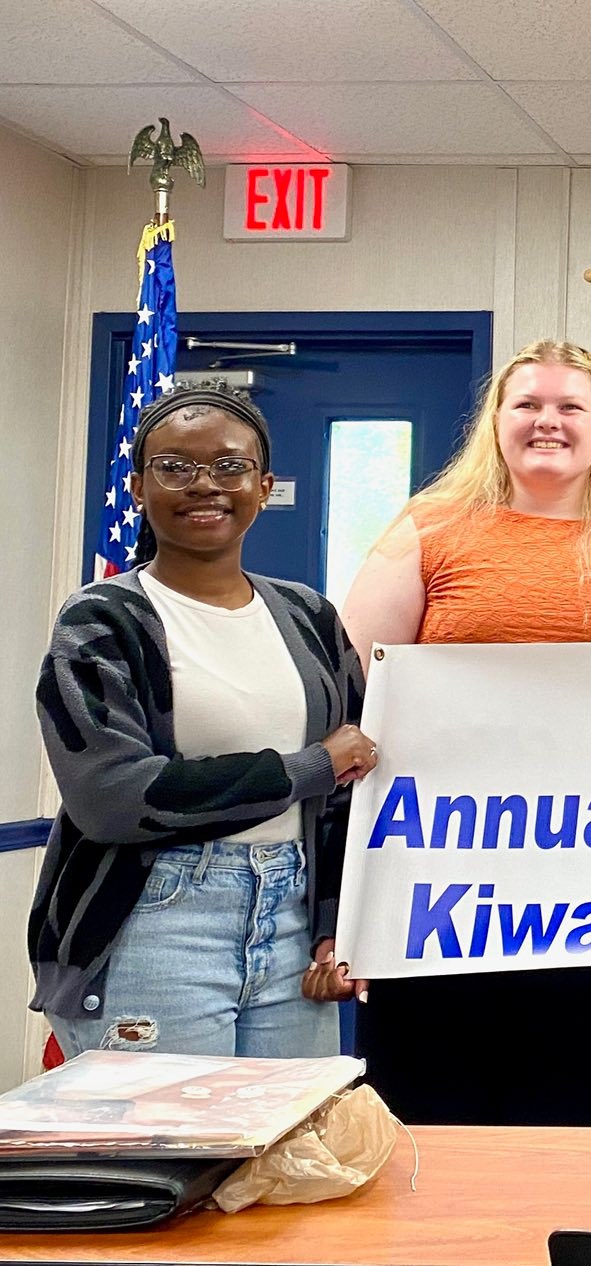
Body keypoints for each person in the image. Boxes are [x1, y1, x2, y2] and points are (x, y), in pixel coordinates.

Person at [343, 339, 591, 1125]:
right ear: (495, 421)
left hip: (586, 892)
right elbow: (355, 703)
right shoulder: (428, 529)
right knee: (423, 1120)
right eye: (526, 404)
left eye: (569, 407)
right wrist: (347, 905)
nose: (546, 422)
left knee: (562, 1115)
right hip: (435, 889)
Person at [30, 386, 374, 1059]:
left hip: (290, 923)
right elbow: (114, 797)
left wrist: (337, 924)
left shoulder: (309, 617)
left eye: (229, 466)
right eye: (175, 468)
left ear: (264, 485)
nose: (204, 486)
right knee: (167, 1156)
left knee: (281, 1155)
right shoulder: (101, 620)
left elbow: (349, 795)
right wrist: (306, 767)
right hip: (152, 919)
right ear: (136, 488)